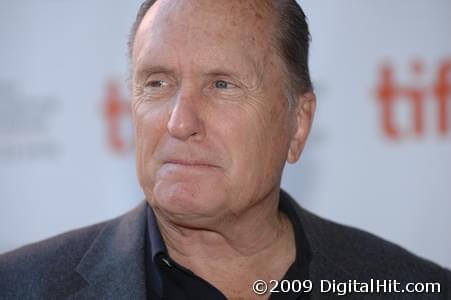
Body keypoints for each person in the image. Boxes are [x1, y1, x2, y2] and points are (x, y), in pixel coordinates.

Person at [0, 0, 450, 299]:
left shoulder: (412, 286)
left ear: (297, 123)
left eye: (222, 85)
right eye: (157, 83)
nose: (179, 122)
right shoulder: (19, 286)